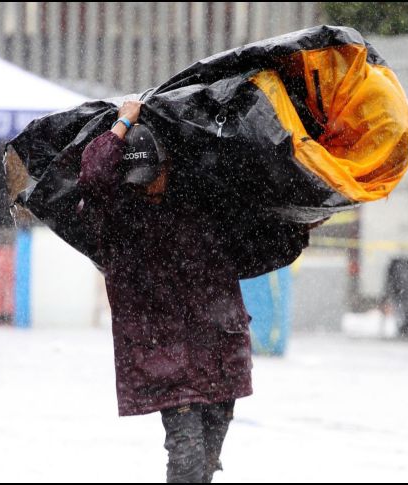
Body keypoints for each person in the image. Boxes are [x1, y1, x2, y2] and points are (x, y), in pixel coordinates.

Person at [77, 100, 253, 483]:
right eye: (139, 180)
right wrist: (123, 123)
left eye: (153, 176)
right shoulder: (118, 213)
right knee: (187, 460)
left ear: (168, 166)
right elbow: (93, 175)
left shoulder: (201, 199)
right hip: (166, 354)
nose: (148, 188)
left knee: (205, 462)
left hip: (219, 346)